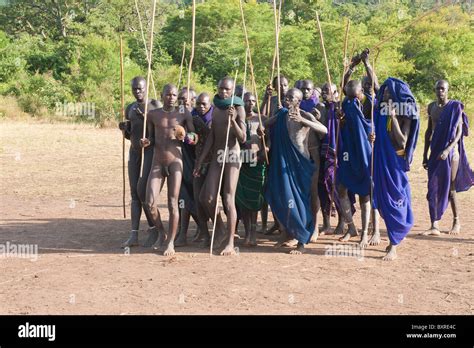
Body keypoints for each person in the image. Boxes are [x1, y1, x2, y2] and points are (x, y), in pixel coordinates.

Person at [265, 88, 327, 254]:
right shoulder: (281, 115)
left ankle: (302, 241)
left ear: (298, 102)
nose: (287, 99)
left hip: (300, 165)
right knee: (284, 198)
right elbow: (265, 123)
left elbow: (324, 130)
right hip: (283, 163)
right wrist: (261, 128)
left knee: (301, 203)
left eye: (291, 98)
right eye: (286, 97)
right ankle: (287, 234)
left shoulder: (305, 115)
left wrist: (303, 120)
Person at [194, 77, 247, 256]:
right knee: (206, 197)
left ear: (232, 91)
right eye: (221, 88)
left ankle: (230, 243)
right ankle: (222, 229)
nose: (224, 92)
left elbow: (243, 138)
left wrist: (233, 121)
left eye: (227, 89)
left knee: (228, 198)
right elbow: (211, 137)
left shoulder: (238, 107)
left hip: (232, 154)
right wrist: (200, 160)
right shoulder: (216, 107)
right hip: (217, 156)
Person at [142, 84, 197, 256]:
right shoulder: (153, 115)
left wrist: (186, 136)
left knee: (173, 203)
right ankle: (161, 232)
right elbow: (150, 138)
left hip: (175, 162)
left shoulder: (184, 114)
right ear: (162, 95)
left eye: (174, 95)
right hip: (157, 162)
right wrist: (145, 143)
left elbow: (194, 139)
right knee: (150, 203)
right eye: (168, 94)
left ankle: (171, 242)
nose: (172, 97)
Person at [372, 77, 420, 260]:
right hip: (381, 160)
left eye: (386, 92)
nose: (382, 93)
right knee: (383, 200)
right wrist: (367, 64)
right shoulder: (381, 111)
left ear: (395, 96)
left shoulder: (403, 114)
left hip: (395, 162)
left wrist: (393, 117)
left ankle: (394, 244)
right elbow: (375, 86)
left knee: (396, 199)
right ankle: (392, 238)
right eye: (382, 91)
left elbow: (401, 141)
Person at [118, 76, 165, 248]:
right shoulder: (130, 108)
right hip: (134, 152)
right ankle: (134, 234)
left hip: (150, 152)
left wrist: (148, 118)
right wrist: (124, 130)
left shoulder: (155, 105)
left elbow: (161, 131)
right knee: (134, 193)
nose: (137, 92)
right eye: (134, 89)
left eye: (140, 88)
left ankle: (155, 229)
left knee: (143, 190)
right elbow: (131, 134)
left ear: (146, 88)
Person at [422, 80, 473, 236]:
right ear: (434, 90)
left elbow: (458, 133)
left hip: (451, 154)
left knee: (450, 189)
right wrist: (424, 154)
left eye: (443, 89)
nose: (440, 91)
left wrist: (447, 150)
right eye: (438, 88)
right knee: (432, 188)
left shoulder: (454, 107)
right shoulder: (431, 107)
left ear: (447, 90)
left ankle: (456, 221)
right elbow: (428, 131)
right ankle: (434, 225)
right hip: (435, 152)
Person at [236, 92, 267, 246]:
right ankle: (247, 232)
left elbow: (269, 143)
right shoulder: (238, 119)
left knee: (255, 200)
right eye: (247, 101)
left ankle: (253, 233)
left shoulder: (262, 119)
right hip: (242, 164)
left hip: (257, 163)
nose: (250, 103)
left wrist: (263, 147)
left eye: (253, 101)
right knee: (243, 200)